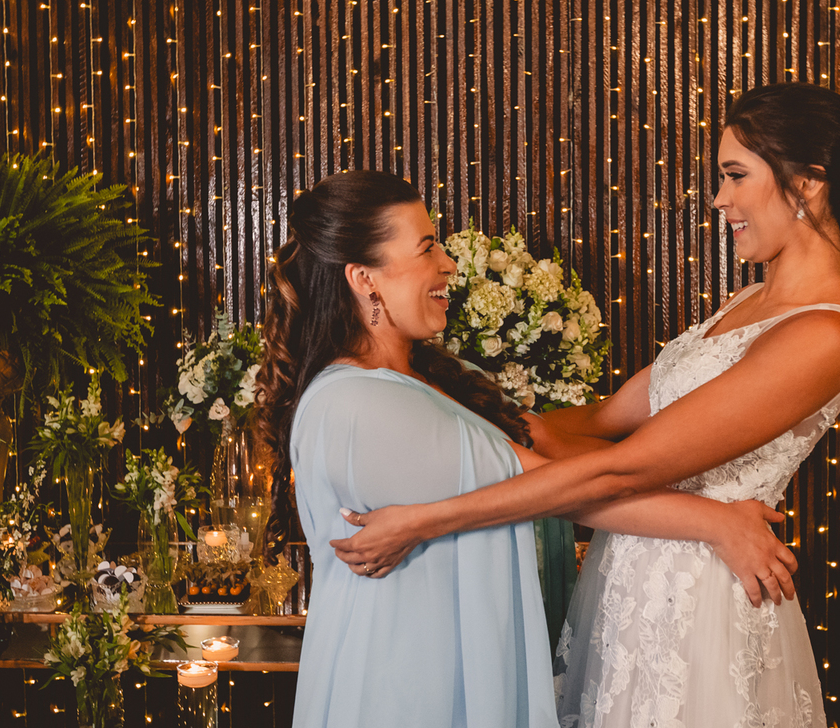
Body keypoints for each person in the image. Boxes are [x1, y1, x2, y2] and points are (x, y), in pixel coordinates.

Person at [329, 83, 840, 728]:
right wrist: (448, 417)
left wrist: (427, 518)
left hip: (700, 601)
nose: (720, 199)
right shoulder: (747, 302)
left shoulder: (823, 333)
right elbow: (601, 423)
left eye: (736, 175)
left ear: (808, 183)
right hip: (631, 576)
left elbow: (625, 466)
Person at [254, 170, 797, 728]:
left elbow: (557, 455)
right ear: (364, 278)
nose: (448, 263)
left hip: (437, 661)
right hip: (403, 682)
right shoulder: (361, 404)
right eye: (426, 248)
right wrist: (714, 522)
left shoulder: (431, 378)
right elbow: (564, 491)